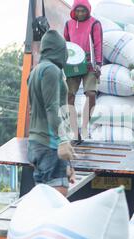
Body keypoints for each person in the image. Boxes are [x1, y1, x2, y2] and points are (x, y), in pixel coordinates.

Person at [27, 30, 76, 197]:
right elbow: (52, 109)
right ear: (59, 50)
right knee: (57, 204)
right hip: (50, 145)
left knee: (43, 201)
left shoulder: (35, 71)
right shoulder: (51, 70)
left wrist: (68, 163)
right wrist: (63, 139)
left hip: (36, 144)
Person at [64, 0, 103, 140]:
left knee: (91, 94)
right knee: (69, 95)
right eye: (78, 11)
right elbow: (66, 44)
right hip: (73, 63)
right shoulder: (68, 24)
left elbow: (98, 44)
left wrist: (98, 64)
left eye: (83, 11)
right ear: (74, 10)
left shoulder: (94, 23)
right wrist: (63, 62)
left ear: (88, 10)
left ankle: (85, 127)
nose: (80, 13)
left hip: (89, 63)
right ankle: (75, 132)